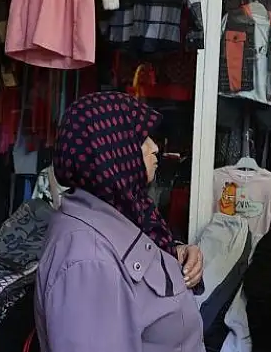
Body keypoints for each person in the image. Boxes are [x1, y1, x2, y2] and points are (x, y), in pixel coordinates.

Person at [34, 91, 205, 352]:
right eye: (141, 138)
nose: (155, 147)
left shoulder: (117, 211)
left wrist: (173, 255)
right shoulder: (88, 261)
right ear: (110, 149)